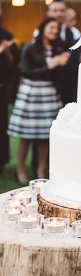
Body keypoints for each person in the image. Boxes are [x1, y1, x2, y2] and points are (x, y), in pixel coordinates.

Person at [9, 18, 70, 183]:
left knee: (45, 135)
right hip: (32, 91)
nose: (54, 31)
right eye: (51, 27)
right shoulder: (29, 48)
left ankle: (40, 169)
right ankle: (20, 169)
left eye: (57, 28)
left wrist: (62, 65)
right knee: (25, 135)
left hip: (49, 93)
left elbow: (58, 76)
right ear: (43, 28)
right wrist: (50, 66)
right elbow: (26, 72)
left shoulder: (58, 48)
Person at [0, 22, 20, 173]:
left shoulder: (6, 35)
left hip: (1, 87)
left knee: (1, 126)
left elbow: (14, 65)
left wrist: (7, 52)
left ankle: (1, 162)